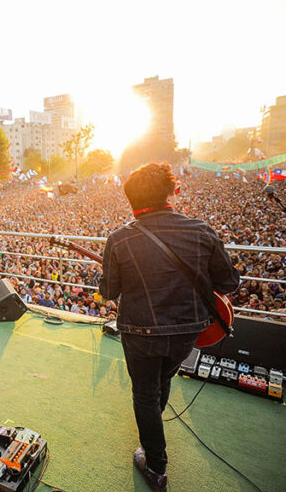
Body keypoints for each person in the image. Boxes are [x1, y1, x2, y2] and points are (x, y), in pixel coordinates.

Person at [99, 162, 239, 491]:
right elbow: (229, 283)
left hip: (140, 332)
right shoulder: (202, 231)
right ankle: (153, 435)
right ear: (170, 193)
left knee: (145, 393)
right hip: (188, 331)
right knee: (163, 380)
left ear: (131, 199)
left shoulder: (119, 239)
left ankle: (156, 466)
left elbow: (109, 291)